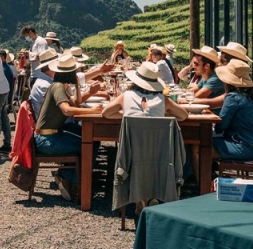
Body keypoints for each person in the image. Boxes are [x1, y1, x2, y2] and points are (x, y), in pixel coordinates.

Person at [34, 54, 104, 201]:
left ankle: (67, 177)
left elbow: (76, 103)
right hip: (47, 139)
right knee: (89, 145)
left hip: (51, 135)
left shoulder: (61, 86)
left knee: (91, 141)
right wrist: (92, 111)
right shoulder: (58, 87)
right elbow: (67, 109)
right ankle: (75, 183)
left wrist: (79, 85)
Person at [102, 61, 189, 120]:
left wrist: (127, 115)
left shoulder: (125, 96)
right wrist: (162, 116)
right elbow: (183, 116)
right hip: (158, 146)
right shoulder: (163, 99)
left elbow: (106, 113)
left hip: (130, 146)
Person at [212, 60, 253, 160]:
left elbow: (220, 127)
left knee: (200, 142)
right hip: (252, 147)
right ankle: (210, 172)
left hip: (240, 147)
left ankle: (203, 175)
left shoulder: (233, 97)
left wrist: (214, 124)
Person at [28, 48, 59, 119]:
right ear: (52, 66)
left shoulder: (44, 81)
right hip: (52, 127)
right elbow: (62, 109)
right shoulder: (46, 86)